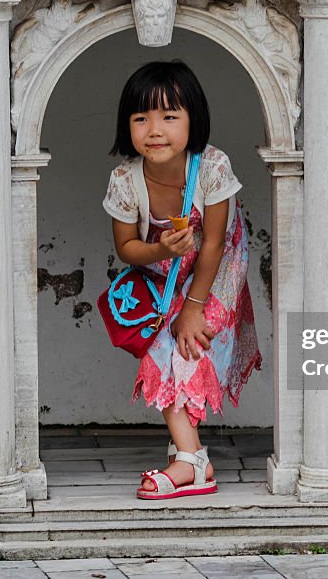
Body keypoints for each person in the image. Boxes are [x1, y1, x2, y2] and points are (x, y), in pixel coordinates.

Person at [101, 61, 261, 500]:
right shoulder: (124, 180)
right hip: (163, 271)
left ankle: (187, 463)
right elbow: (127, 247)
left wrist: (193, 307)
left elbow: (212, 243)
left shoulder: (211, 166)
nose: (154, 129)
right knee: (161, 349)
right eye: (141, 118)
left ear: (194, 120)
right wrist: (161, 251)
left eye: (169, 116)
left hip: (218, 267)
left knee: (191, 345)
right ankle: (193, 461)